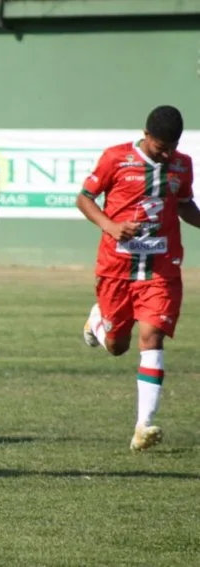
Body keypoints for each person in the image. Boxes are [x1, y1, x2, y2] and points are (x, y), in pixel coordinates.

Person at [78, 105, 197, 452]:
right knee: (117, 346)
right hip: (117, 267)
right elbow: (84, 199)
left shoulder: (181, 164)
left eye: (171, 146)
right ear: (146, 137)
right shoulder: (115, 159)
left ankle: (143, 425)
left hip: (161, 267)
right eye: (160, 146)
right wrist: (112, 226)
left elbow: (185, 203)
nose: (166, 153)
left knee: (152, 334)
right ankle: (98, 321)